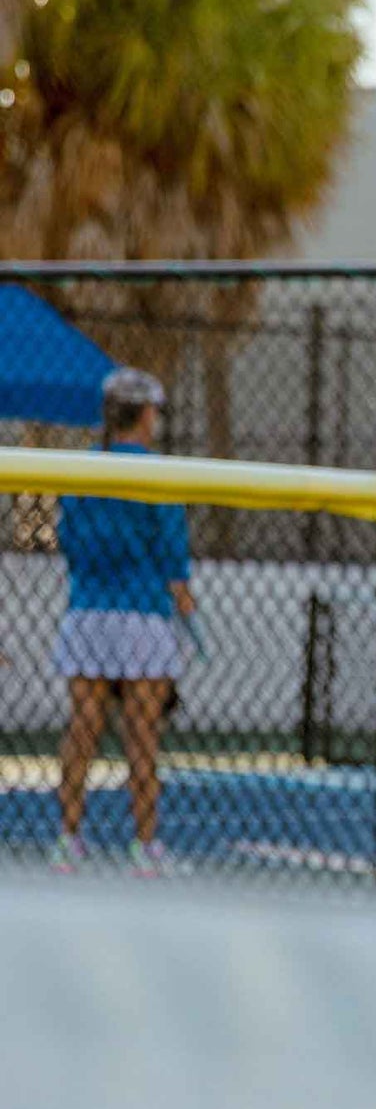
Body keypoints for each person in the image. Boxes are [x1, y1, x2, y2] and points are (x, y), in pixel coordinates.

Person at [52, 367, 194, 876]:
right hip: (143, 618)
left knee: (82, 729)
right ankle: (145, 845)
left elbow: (69, 540)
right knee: (142, 735)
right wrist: (182, 595)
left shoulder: (80, 470)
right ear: (145, 413)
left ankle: (69, 838)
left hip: (88, 610)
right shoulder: (158, 474)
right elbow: (174, 556)